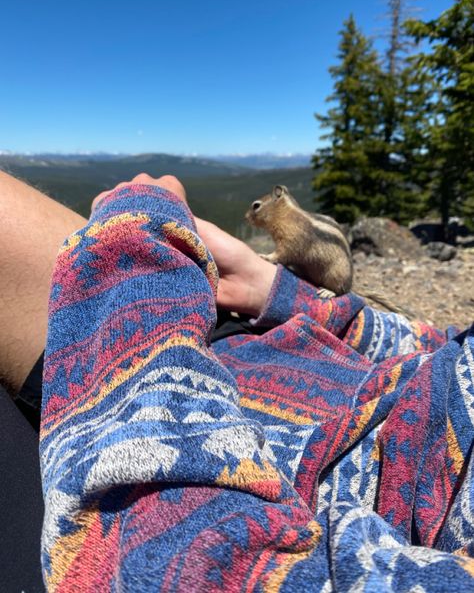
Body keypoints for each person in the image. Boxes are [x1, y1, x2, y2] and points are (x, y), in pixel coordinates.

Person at [1, 170, 473, 592]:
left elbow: (187, 558)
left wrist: (135, 267)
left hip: (181, 448)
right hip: (286, 351)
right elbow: (449, 351)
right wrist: (276, 291)